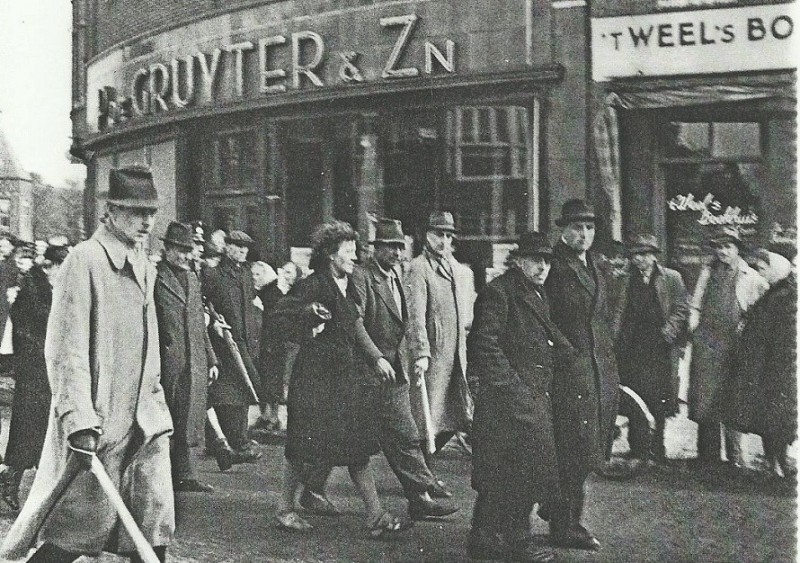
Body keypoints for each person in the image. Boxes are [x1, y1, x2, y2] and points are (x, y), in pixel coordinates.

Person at [1, 165, 174, 563]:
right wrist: (78, 419)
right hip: (100, 422)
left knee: (152, 534)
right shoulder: (86, 260)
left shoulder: (144, 263)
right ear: (110, 211)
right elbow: (66, 349)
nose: (146, 220)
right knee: (72, 536)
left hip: (146, 425)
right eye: (134, 211)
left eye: (151, 211)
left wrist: (157, 403)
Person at [300, 219, 458, 521]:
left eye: (401, 248)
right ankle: (312, 487)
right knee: (348, 436)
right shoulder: (361, 276)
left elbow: (405, 320)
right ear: (377, 249)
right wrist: (375, 358)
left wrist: (412, 356)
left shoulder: (396, 275)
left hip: (392, 371)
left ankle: (419, 496)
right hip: (365, 370)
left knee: (402, 434)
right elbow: (354, 321)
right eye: (391, 248)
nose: (397, 254)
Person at [270, 220, 412, 538]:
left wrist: (373, 361)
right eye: (348, 252)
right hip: (315, 383)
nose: (354, 257)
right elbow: (280, 315)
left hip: (342, 381)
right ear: (332, 255)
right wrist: (310, 316)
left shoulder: (347, 284)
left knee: (356, 448)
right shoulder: (315, 284)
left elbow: (351, 332)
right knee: (300, 447)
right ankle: (284, 509)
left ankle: (375, 516)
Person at [467, 232, 568, 563]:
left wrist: (571, 355)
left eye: (547, 261)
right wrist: (513, 388)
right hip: (507, 403)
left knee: (515, 471)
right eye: (535, 260)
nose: (542, 267)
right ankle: (516, 542)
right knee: (512, 473)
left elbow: (546, 334)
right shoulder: (499, 293)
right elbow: (484, 343)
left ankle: (484, 539)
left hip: (529, 399)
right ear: (518, 260)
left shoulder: (535, 293)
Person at [543, 199, 619, 551]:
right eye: (577, 228)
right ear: (563, 230)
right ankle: (565, 523)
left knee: (585, 449)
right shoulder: (554, 266)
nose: (584, 234)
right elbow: (543, 317)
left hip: (598, 371)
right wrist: (566, 353)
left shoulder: (593, 264)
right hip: (570, 371)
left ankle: (559, 511)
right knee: (572, 450)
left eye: (589, 228)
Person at [688, 225, 767, 466]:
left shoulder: (751, 277)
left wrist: (746, 331)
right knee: (705, 401)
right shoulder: (708, 273)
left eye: (727, 247)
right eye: (719, 247)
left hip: (734, 347)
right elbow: (697, 304)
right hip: (707, 346)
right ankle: (708, 458)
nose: (722, 252)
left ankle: (735, 458)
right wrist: (694, 327)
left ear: (737, 249)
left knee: (732, 401)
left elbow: (758, 312)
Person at [0, 244, 69, 511]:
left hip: (50, 368)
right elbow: (20, 323)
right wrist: (35, 351)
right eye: (60, 266)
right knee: (28, 427)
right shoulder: (33, 287)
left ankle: (35, 488)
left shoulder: (58, 289)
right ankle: (12, 478)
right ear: (50, 266)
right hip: (33, 368)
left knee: (43, 429)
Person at [154, 221, 220, 492]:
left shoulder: (193, 278)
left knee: (189, 416)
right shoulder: (155, 277)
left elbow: (199, 324)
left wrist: (212, 358)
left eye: (189, 250)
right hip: (166, 360)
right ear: (167, 249)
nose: (185, 255)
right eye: (180, 249)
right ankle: (161, 477)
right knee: (166, 417)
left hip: (194, 359)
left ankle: (186, 474)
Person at [613, 234, 689, 462]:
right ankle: (638, 448)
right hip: (632, 348)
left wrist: (668, 333)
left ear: (654, 256)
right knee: (634, 398)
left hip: (659, 349)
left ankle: (657, 449)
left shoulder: (671, 278)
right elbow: (619, 311)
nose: (640, 260)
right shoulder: (626, 279)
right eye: (636, 255)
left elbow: (681, 308)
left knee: (658, 400)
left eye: (645, 255)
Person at [721, 249, 796, 477]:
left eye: (763, 269)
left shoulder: (784, 296)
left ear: (775, 269)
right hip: (767, 366)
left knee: (776, 419)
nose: (760, 274)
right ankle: (775, 464)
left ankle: (778, 464)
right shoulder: (775, 293)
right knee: (770, 419)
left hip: (776, 368)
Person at [406, 211, 472, 459]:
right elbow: (415, 315)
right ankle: (423, 477)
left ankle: (423, 474)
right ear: (426, 236)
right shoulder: (418, 269)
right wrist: (421, 353)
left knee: (456, 417)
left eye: (448, 235)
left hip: (454, 354)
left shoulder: (454, 269)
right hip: (433, 354)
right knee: (428, 417)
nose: (444, 241)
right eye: (438, 235)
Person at [202, 230, 262, 464]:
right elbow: (204, 304)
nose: (242, 251)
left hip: (246, 341)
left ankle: (233, 440)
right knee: (231, 393)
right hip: (225, 343)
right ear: (227, 248)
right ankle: (236, 442)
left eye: (245, 248)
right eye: (237, 247)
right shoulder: (214, 274)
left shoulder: (246, 274)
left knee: (243, 390)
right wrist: (215, 323)